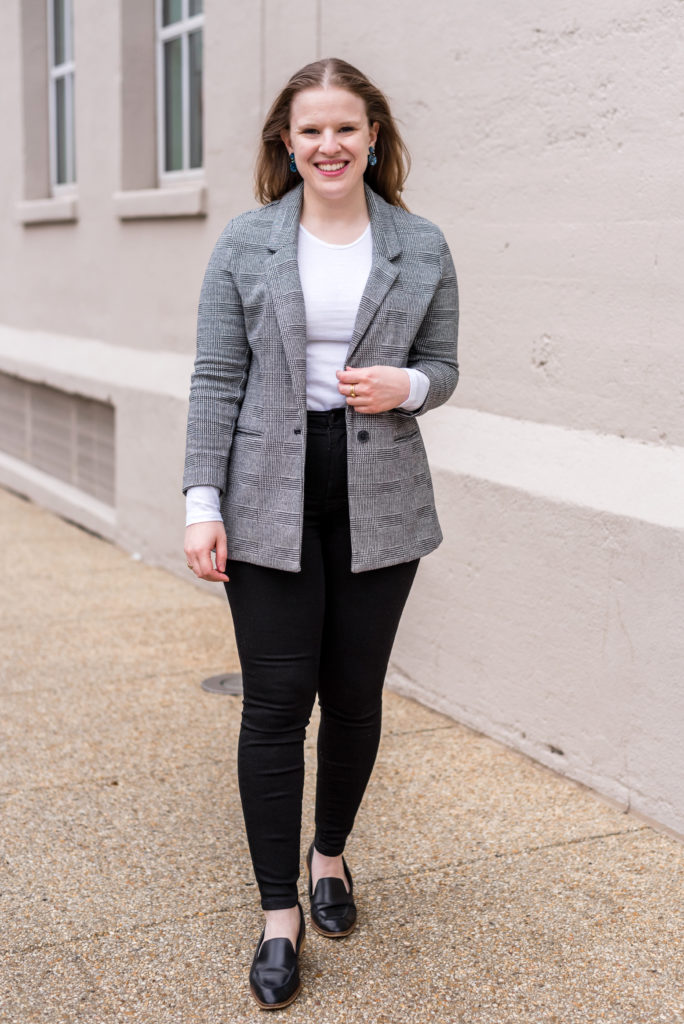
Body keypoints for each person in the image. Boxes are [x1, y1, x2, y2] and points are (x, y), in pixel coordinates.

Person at [182, 57, 459, 1010]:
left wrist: (409, 387)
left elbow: (444, 363)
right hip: (265, 491)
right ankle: (277, 916)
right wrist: (200, 503)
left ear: (374, 136)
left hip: (380, 491)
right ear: (285, 144)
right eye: (310, 131)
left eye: (346, 128)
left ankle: (329, 856)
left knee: (353, 698)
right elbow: (217, 376)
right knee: (273, 706)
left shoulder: (418, 245)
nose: (329, 145)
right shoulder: (247, 241)